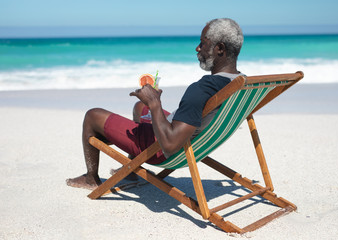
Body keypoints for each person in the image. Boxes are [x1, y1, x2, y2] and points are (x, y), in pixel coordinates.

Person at [66, 18, 244, 190]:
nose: (197, 48)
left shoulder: (201, 89)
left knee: (92, 115)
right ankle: (131, 171)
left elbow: (169, 146)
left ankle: (91, 178)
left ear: (220, 49)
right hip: (191, 138)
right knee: (139, 108)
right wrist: (150, 104)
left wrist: (154, 102)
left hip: (163, 147)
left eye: (203, 43)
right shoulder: (239, 82)